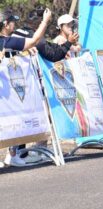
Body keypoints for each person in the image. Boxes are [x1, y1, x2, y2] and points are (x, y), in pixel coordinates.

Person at [0, 8, 53, 167]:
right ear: (5, 24)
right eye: (12, 21)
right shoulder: (5, 41)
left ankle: (14, 154)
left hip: (9, 92)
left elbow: (31, 44)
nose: (15, 24)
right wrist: (45, 21)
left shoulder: (8, 41)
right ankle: (13, 155)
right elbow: (35, 39)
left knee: (15, 118)